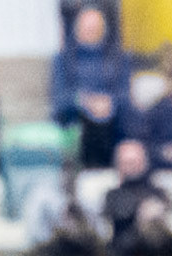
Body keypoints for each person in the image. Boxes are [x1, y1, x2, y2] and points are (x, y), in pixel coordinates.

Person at [49, 5, 131, 169]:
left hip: (113, 120)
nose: (91, 32)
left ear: (104, 30)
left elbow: (125, 96)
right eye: (87, 28)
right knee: (90, 127)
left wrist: (110, 102)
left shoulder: (119, 59)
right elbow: (59, 100)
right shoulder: (63, 60)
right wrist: (85, 102)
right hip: (76, 120)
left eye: (95, 28)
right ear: (76, 29)